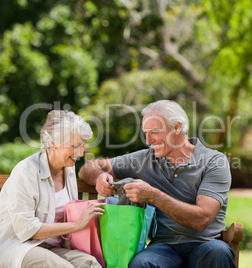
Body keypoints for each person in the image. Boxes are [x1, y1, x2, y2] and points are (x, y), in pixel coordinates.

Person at [79, 100, 236, 268]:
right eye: (146, 133)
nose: (148, 140)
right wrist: (99, 177)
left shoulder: (214, 161)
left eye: (154, 132)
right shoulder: (145, 159)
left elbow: (201, 219)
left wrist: (153, 194)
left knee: (218, 251)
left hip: (205, 244)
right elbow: (88, 168)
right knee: (141, 264)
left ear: (177, 127)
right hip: (164, 247)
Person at [0, 110, 104, 268]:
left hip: (49, 248)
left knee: (90, 264)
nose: (81, 153)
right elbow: (26, 229)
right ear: (53, 143)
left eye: (82, 146)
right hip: (15, 246)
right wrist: (75, 225)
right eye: (75, 146)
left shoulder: (68, 170)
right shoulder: (26, 171)